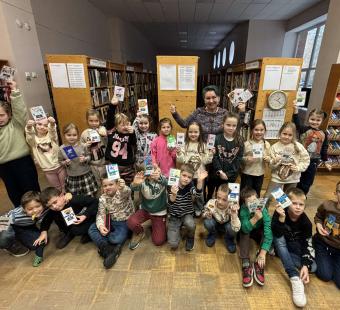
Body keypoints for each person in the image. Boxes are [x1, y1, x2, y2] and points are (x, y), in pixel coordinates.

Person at [272, 188, 316, 307]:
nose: (298, 207)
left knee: (313, 267)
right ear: (287, 202)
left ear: (304, 206)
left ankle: (281, 255)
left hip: (292, 244)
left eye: (301, 204)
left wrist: (305, 265)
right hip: (279, 240)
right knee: (279, 240)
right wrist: (281, 219)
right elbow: (275, 233)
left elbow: (307, 243)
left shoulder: (306, 223)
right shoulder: (280, 211)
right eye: (294, 203)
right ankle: (294, 277)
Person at [0, 80, 40, 207]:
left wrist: (15, 92)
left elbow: (20, 110)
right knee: (15, 195)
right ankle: (24, 219)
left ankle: (42, 216)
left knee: (31, 192)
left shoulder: (16, 124)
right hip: (4, 168)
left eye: (1, 115)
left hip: (23, 163)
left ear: (9, 115)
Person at [88, 177, 134, 269]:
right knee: (92, 229)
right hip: (110, 220)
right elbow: (101, 214)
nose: (107, 187)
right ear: (102, 188)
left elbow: (127, 191)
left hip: (123, 221)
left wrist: (123, 186)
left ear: (117, 185)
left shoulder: (122, 192)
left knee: (115, 239)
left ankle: (109, 245)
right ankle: (108, 250)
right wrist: (101, 226)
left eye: (111, 184)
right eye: (105, 185)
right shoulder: (102, 198)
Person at [170, 85, 245, 139]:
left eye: (214, 97)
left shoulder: (224, 113)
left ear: (218, 98)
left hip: (219, 150)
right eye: (208, 98)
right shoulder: (198, 112)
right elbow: (184, 124)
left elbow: (236, 126)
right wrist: (174, 113)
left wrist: (241, 112)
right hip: (202, 149)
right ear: (204, 100)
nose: (211, 101)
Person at [0, 191, 48, 266]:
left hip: (26, 227)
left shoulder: (46, 208)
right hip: (12, 226)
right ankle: (10, 244)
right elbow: (4, 218)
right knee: (3, 238)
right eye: (30, 209)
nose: (35, 210)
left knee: (37, 243)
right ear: (24, 209)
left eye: (38, 206)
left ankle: (18, 237)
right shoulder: (16, 215)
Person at [167, 164, 207, 251]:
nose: (186, 179)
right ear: (179, 174)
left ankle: (190, 237)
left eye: (189, 177)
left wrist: (200, 182)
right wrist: (173, 194)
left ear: (191, 179)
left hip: (186, 213)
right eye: (184, 175)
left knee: (191, 225)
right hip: (174, 215)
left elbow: (197, 195)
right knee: (173, 244)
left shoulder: (190, 185)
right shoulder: (172, 184)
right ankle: (178, 228)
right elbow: (169, 204)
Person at [176, 121, 213, 215]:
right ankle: (189, 207)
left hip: (199, 175)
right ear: (187, 132)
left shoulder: (204, 145)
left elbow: (206, 161)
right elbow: (181, 160)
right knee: (189, 192)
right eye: (190, 132)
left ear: (200, 132)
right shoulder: (184, 145)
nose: (193, 134)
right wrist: (179, 153)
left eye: (196, 132)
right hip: (188, 175)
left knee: (200, 192)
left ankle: (199, 208)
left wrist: (210, 153)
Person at [293, 106, 331, 194]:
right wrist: (295, 111)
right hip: (301, 160)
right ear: (309, 118)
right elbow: (297, 123)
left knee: (308, 182)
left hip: (313, 162)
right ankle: (295, 196)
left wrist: (325, 161)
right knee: (297, 180)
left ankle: (302, 196)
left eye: (318, 120)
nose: (315, 122)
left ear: (322, 121)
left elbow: (324, 147)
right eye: (312, 119)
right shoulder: (304, 129)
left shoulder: (324, 133)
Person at [265, 122, 310, 197]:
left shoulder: (298, 146)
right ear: (280, 133)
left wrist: (298, 167)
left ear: (293, 136)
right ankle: (264, 208)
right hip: (277, 178)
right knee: (268, 196)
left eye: (290, 135)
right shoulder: (274, 147)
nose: (286, 137)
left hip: (293, 178)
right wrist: (275, 161)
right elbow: (270, 166)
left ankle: (284, 209)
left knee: (288, 199)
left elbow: (305, 160)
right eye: (284, 134)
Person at [239, 187, 272, 287]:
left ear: (258, 199)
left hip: (258, 232)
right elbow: (244, 229)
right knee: (243, 232)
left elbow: (268, 231)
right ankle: (245, 262)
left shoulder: (263, 209)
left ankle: (258, 263)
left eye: (255, 201)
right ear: (245, 203)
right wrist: (255, 218)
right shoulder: (243, 210)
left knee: (266, 233)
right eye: (249, 202)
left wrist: (263, 252)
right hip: (248, 231)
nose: (253, 204)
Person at [128, 168, 167, 249]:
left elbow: (170, 183)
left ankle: (156, 224)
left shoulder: (162, 180)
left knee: (158, 241)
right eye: (150, 169)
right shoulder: (143, 181)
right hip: (146, 210)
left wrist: (159, 178)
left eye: (156, 170)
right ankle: (140, 232)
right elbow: (133, 187)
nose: (153, 172)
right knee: (131, 222)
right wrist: (135, 183)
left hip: (159, 212)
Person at [25, 116, 66, 192]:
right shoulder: (33, 141)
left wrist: (52, 124)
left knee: (65, 186)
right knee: (57, 189)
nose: (42, 127)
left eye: (46, 125)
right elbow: (29, 137)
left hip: (59, 166)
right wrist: (29, 127)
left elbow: (53, 132)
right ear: (35, 125)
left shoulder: (51, 137)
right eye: (39, 124)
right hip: (48, 170)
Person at [209, 112, 244, 199]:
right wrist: (220, 171)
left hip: (231, 175)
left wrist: (228, 174)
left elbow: (239, 159)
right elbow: (214, 156)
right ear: (223, 124)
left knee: (228, 196)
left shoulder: (240, 141)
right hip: (216, 173)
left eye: (234, 125)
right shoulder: (216, 139)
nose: (231, 128)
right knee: (214, 194)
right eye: (228, 125)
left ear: (237, 126)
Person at [313, 180, 340, 289]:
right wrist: (319, 225)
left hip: (338, 249)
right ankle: (315, 250)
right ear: (335, 193)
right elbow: (318, 216)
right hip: (323, 243)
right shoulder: (327, 205)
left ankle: (330, 262)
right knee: (325, 275)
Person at [59, 123, 98, 196]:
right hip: (72, 176)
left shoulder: (83, 146)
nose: (72, 137)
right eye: (69, 135)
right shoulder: (61, 149)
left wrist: (85, 159)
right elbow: (60, 161)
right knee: (76, 196)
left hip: (85, 174)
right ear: (64, 135)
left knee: (90, 194)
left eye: (74, 135)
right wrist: (65, 162)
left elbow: (90, 156)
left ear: (78, 135)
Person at [202, 183, 240, 253]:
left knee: (231, 228)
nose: (219, 202)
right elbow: (203, 213)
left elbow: (236, 228)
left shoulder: (232, 207)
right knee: (207, 222)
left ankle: (229, 239)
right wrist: (206, 214)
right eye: (218, 197)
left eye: (224, 200)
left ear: (230, 200)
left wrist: (234, 214)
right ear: (216, 194)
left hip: (227, 225)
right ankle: (212, 233)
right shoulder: (211, 202)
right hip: (215, 223)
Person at [240, 119, 271, 197]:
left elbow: (270, 158)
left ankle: (254, 209)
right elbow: (240, 158)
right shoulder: (246, 144)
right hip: (247, 173)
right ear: (252, 131)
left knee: (256, 193)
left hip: (260, 174)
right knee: (245, 193)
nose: (259, 132)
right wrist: (246, 158)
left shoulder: (266, 144)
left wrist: (268, 159)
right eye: (256, 130)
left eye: (261, 130)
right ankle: (242, 208)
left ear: (265, 131)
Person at [105, 113, 136, 185]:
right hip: (112, 165)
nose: (125, 127)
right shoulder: (111, 133)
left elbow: (133, 142)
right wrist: (112, 105)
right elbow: (109, 120)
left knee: (128, 185)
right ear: (115, 127)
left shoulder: (129, 134)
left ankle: (129, 196)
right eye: (122, 125)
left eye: (127, 124)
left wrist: (132, 133)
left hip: (127, 166)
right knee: (113, 184)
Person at [80, 109, 107, 186]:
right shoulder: (84, 133)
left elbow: (108, 142)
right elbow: (80, 147)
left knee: (106, 181)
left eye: (96, 121)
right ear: (87, 121)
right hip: (92, 164)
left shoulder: (102, 130)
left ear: (100, 120)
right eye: (91, 121)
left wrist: (104, 135)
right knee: (97, 183)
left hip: (104, 162)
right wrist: (85, 145)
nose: (94, 123)